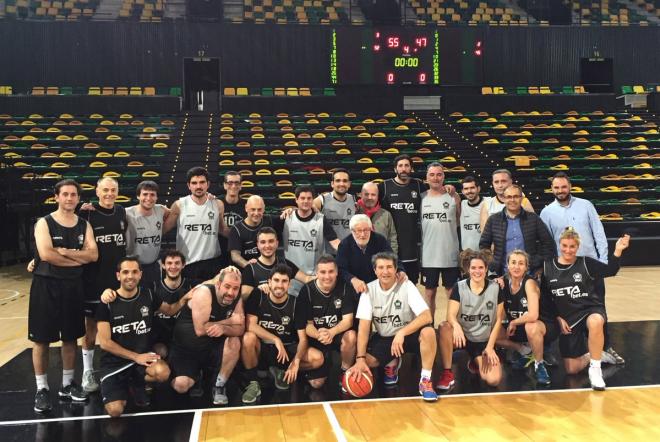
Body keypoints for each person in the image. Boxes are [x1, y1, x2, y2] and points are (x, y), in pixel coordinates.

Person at [539, 172, 624, 364]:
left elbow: (599, 233)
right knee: (568, 311)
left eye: (563, 186)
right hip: (565, 271)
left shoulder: (586, 205)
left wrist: (603, 261)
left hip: (590, 268)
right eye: (556, 187)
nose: (560, 190)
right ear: (552, 189)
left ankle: (605, 347)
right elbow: (548, 242)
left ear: (570, 186)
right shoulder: (546, 212)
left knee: (598, 310)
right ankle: (574, 349)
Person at [29, 179, 98, 413]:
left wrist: (66, 253)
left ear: (79, 198)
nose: (69, 198)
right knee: (42, 339)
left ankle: (67, 384)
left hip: (72, 287)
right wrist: (78, 256)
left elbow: (93, 255)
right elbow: (47, 255)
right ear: (56, 197)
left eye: (73, 195)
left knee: (70, 337)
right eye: (65, 194)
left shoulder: (84, 225)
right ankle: (42, 388)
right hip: (46, 285)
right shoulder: (44, 223)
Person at [96, 257, 191, 417]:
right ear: (118, 276)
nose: (130, 276)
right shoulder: (107, 303)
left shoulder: (148, 294)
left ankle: (137, 383)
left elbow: (169, 310)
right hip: (115, 364)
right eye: (125, 272)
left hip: (142, 360)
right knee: (115, 411)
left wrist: (185, 299)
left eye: (134, 272)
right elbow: (105, 343)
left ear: (140, 274)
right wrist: (136, 356)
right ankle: (121, 386)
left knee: (163, 373)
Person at [541, 228, 630, 390]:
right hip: (569, 319)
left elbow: (610, 270)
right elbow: (546, 299)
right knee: (571, 369)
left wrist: (618, 250)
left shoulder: (586, 263)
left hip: (590, 309)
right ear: (559, 245)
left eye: (572, 246)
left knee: (596, 321)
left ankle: (595, 371)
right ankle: (597, 355)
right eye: (565, 245)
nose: (568, 250)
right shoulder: (548, 267)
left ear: (578, 247)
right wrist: (557, 317)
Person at [349, 252, 438, 402]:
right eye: (381, 267)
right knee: (366, 364)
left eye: (389, 267)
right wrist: (360, 358)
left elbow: (427, 316)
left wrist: (402, 333)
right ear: (375, 270)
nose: (385, 271)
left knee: (429, 332)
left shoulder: (406, 285)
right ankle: (393, 361)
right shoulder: (368, 291)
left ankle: (425, 381)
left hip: (409, 334)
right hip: (385, 337)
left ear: (396, 269)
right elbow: (363, 329)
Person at [241, 264, 324, 404]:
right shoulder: (258, 296)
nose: (280, 285)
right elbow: (249, 325)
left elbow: (303, 339)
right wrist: (275, 339)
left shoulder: (296, 303)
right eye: (276, 280)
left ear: (289, 284)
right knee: (248, 338)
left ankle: (282, 371)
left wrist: (296, 361)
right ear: (269, 282)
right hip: (263, 348)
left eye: (284, 281)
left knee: (318, 358)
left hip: (286, 351)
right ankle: (253, 382)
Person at [78, 176, 127, 394]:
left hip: (117, 282)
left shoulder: (121, 212)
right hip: (92, 282)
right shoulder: (86, 212)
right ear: (97, 192)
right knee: (91, 330)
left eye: (113, 190)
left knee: (118, 328)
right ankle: (87, 371)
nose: (109, 194)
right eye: (105, 190)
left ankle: (118, 370)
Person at [168, 266, 245, 405]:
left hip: (211, 348)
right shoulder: (204, 292)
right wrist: (229, 322)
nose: (231, 292)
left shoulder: (237, 297)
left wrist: (223, 328)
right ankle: (196, 376)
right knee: (181, 386)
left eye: (235, 288)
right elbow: (201, 330)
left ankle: (219, 385)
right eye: (227, 286)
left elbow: (240, 329)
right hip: (187, 350)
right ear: (218, 284)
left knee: (234, 341)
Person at [437, 250, 505, 390]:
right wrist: (456, 326)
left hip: (482, 341)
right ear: (468, 269)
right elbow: (450, 315)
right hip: (462, 337)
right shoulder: (459, 287)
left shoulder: (496, 288)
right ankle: (447, 373)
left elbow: (498, 320)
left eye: (481, 267)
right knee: (445, 327)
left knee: (494, 380)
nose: (477, 271)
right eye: (473, 268)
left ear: (486, 269)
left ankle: (474, 361)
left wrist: (490, 347)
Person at [495, 250, 558, 385]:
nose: (516, 267)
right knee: (490, 332)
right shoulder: (503, 283)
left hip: (543, 326)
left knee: (531, 326)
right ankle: (524, 350)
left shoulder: (529, 283)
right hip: (519, 327)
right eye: (513, 263)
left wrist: (513, 323)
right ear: (507, 265)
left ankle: (539, 364)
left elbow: (533, 315)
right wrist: (493, 285)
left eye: (521, 263)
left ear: (526, 267)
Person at [300, 255, 358, 387]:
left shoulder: (345, 288)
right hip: (316, 336)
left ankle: (345, 372)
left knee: (351, 336)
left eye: (331, 271)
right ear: (316, 273)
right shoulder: (307, 290)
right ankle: (313, 367)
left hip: (336, 333)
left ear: (337, 272)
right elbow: (307, 325)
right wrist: (319, 335)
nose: (327, 276)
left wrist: (331, 332)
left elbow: (348, 321)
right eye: (323, 272)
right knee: (316, 384)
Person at [164, 167, 230, 280]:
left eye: (202, 182)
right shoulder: (179, 205)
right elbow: (163, 229)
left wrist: (244, 234)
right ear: (189, 185)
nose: (198, 186)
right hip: (186, 263)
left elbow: (222, 229)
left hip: (212, 262)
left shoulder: (218, 204)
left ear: (208, 184)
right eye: (194, 183)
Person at [479, 184, 555, 277]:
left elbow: (547, 243)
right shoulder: (493, 220)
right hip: (502, 275)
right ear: (504, 199)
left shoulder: (533, 219)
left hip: (530, 274)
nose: (512, 200)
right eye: (509, 197)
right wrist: (493, 264)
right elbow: (484, 245)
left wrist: (539, 265)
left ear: (522, 198)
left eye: (516, 196)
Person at [420, 162, 462, 318]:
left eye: (439, 174)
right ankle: (429, 326)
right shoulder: (421, 198)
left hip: (449, 254)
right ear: (426, 178)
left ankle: (451, 326)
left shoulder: (454, 197)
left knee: (451, 293)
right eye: (432, 174)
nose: (435, 178)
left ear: (444, 176)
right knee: (429, 293)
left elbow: (459, 222)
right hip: (428, 255)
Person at [283, 185, 339, 295]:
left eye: (309, 198)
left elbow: (335, 242)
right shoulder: (286, 218)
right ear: (296, 200)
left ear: (313, 200)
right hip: (291, 277)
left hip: (314, 277)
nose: (306, 201)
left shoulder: (321, 220)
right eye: (302, 198)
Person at [378, 154, 425, 283]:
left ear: (411, 169)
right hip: (390, 245)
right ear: (395, 169)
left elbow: (435, 193)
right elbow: (368, 201)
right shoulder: (384, 187)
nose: (403, 169)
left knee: (411, 284)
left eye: (407, 166)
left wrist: (449, 189)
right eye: (400, 166)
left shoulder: (419, 186)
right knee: (389, 284)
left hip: (412, 246)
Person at [336, 214, 406, 294]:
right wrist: (352, 279)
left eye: (366, 230)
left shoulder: (380, 240)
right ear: (352, 231)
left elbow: (392, 258)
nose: (362, 234)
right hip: (354, 289)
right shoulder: (344, 244)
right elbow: (340, 269)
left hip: (377, 287)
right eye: (358, 230)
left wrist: (400, 270)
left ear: (371, 229)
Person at [240, 227, 314, 298]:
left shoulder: (285, 263)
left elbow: (306, 279)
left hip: (283, 309)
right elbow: (244, 295)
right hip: (260, 310)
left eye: (271, 241)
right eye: (263, 242)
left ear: (277, 243)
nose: (267, 245)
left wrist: (323, 277)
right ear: (258, 245)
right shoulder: (250, 268)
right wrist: (258, 290)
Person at [125, 180, 171, 288]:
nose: (149, 198)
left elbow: (175, 213)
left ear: (156, 197)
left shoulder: (160, 210)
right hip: (133, 267)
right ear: (138, 196)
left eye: (152, 195)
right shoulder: (126, 213)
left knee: (154, 298)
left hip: (153, 266)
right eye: (145, 194)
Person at [150, 250, 195, 359]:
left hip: (184, 338)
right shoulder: (153, 288)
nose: (173, 266)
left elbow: (213, 283)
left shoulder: (192, 286)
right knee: (160, 351)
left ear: (183, 265)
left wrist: (225, 272)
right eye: (169, 263)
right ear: (163, 265)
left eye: (177, 263)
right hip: (160, 339)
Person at [228, 195, 283, 269]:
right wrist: (249, 266)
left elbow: (288, 217)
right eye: (253, 209)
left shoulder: (270, 220)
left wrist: (289, 211)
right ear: (246, 208)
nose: (256, 213)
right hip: (246, 271)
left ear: (264, 209)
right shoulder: (236, 229)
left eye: (259, 209)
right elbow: (235, 256)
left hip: (269, 270)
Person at [313, 168, 358, 253]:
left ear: (349, 184)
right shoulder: (322, 200)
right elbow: (304, 208)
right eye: (338, 181)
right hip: (326, 254)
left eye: (345, 181)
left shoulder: (354, 200)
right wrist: (290, 210)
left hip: (348, 252)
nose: (341, 184)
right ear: (332, 184)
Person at [356, 181, 398, 255]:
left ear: (378, 196)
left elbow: (392, 239)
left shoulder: (386, 215)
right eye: (366, 194)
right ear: (360, 195)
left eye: (373, 195)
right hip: (358, 260)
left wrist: (392, 258)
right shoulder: (354, 212)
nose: (370, 197)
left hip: (381, 261)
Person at [219, 171, 246, 267]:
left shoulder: (247, 205)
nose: (233, 186)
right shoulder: (216, 204)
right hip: (219, 254)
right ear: (225, 185)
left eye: (237, 183)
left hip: (240, 252)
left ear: (241, 185)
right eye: (230, 183)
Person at [459, 176, 486, 252]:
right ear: (463, 191)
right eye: (466, 189)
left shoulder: (488, 203)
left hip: (484, 253)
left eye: (472, 188)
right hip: (467, 254)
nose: (469, 191)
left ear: (478, 189)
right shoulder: (462, 204)